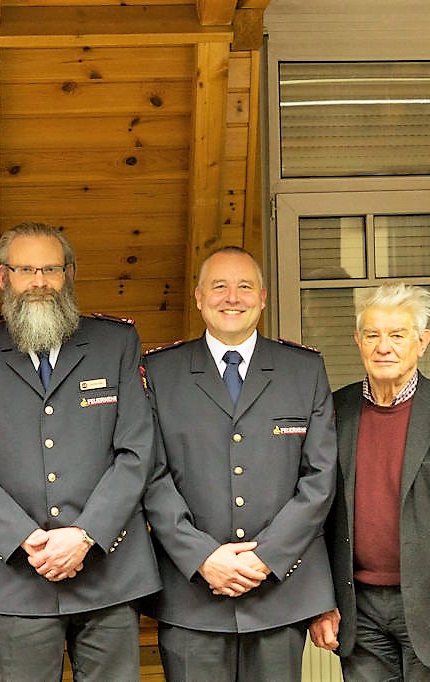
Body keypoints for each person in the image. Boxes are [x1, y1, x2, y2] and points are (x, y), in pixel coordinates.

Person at [0, 222, 160, 681]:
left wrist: (84, 536)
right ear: (3, 277)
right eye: (26, 270)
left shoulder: (115, 343)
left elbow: (136, 451)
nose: (39, 281)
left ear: (70, 274)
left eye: (50, 269)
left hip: (109, 571)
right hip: (19, 576)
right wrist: (27, 539)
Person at [140, 246, 338, 681]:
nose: (232, 297)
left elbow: (319, 480)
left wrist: (265, 557)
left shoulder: (303, 370)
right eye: (219, 286)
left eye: (244, 286)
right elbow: (150, 475)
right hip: (191, 594)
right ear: (198, 296)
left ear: (263, 297)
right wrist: (203, 557)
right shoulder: (160, 372)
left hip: (279, 592)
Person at [309, 282, 430, 681]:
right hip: (357, 609)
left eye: (397, 335)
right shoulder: (332, 412)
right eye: (373, 335)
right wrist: (320, 601)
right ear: (358, 341)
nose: (384, 347)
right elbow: (314, 516)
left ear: (422, 341)